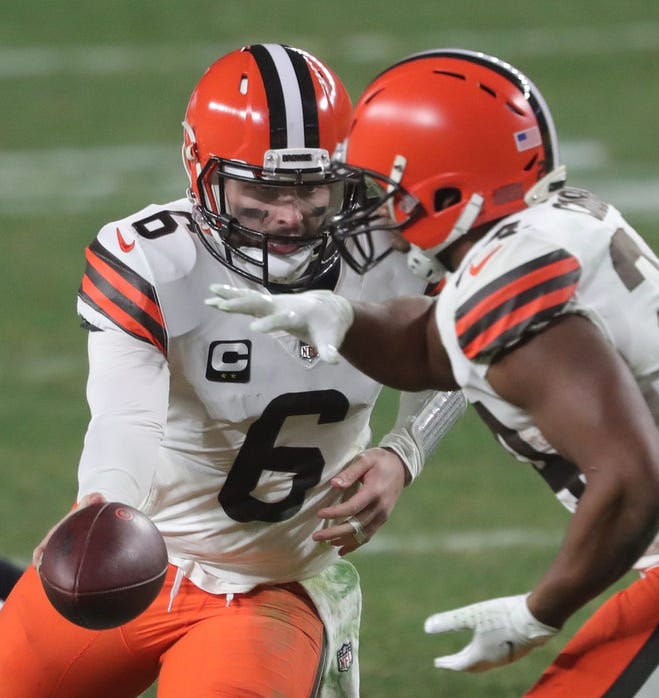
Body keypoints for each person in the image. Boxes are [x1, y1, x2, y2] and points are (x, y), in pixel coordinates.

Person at [206, 48, 659, 697]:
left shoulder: (503, 286)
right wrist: (343, 316)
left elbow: (636, 482)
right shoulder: (555, 221)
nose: (374, 210)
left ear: (445, 189)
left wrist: (537, 612)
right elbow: (431, 350)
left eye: (389, 189)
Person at [0, 44, 465, 698]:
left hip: (271, 589)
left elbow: (465, 350)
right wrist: (104, 507)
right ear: (203, 174)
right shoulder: (158, 258)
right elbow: (125, 416)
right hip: (143, 555)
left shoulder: (394, 248)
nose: (290, 214)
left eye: (311, 187)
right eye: (264, 190)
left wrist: (404, 451)